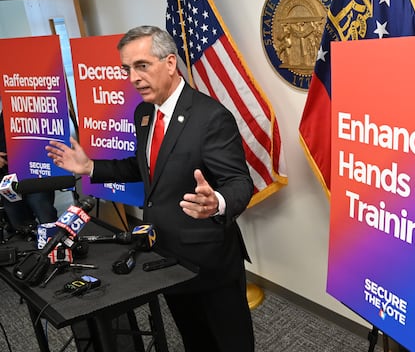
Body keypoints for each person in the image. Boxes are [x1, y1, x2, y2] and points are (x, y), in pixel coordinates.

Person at [46, 25, 255, 351]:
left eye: (141, 66)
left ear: (170, 63)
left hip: (209, 258)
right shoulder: (144, 112)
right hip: (165, 254)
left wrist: (218, 202)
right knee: (194, 338)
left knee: (229, 342)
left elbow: (240, 182)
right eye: (126, 69)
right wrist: (90, 167)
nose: (133, 77)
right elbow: (144, 168)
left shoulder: (211, 117)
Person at [0, 111, 57, 237]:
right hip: (9, 170)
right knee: (18, 223)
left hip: (37, 168)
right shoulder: (7, 108)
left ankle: (56, 244)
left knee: (43, 211)